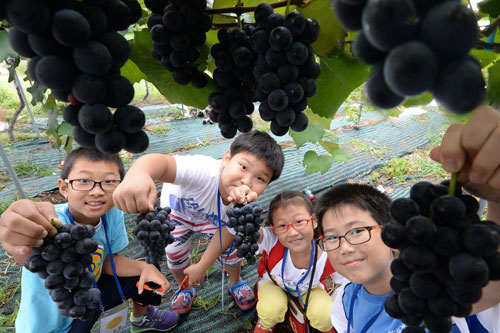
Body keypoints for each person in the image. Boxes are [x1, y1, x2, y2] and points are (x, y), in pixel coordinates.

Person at [314, 105, 500, 332]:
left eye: (356, 231)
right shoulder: (343, 303)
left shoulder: (448, 290)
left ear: (391, 233)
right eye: (331, 238)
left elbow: (489, 283)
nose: (344, 247)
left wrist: (496, 200)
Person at [0, 147, 179, 332]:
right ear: (63, 187)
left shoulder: (111, 213)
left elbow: (108, 259)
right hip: (52, 325)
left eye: (109, 181)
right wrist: (16, 229)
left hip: (90, 296)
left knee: (148, 273)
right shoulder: (53, 225)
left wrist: (144, 268)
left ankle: (141, 319)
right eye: (84, 181)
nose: (97, 191)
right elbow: (27, 247)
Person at [112, 130, 285, 314]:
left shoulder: (245, 205)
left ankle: (235, 281)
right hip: (180, 215)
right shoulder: (202, 171)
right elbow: (161, 163)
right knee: (174, 254)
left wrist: (202, 265)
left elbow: (226, 233)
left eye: (260, 178)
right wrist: (139, 172)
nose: (247, 181)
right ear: (227, 158)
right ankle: (185, 288)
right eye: (243, 167)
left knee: (233, 251)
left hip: (214, 221)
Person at [253, 190, 347, 333]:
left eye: (299, 222)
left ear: (314, 221)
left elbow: (346, 283)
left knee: (325, 314)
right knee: (271, 309)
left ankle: (327, 327)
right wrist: (243, 206)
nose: (292, 232)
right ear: (274, 229)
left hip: (309, 290)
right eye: (282, 226)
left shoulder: (329, 253)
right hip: (274, 284)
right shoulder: (272, 240)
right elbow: (249, 233)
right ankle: (267, 323)